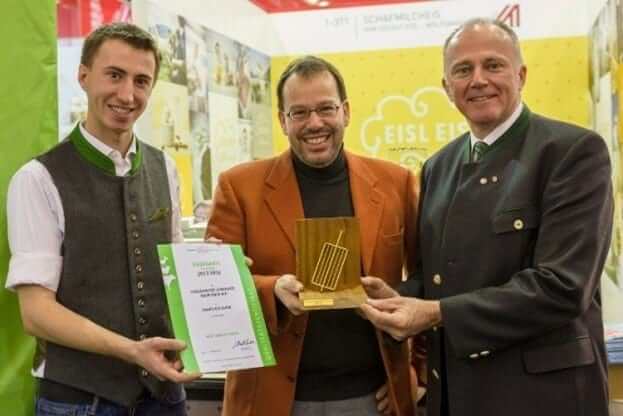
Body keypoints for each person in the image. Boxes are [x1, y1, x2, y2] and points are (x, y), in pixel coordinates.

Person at [361, 18, 613, 416]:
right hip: (457, 393)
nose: (478, 80)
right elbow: (440, 275)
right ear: (447, 87)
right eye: (463, 70)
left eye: (493, 65)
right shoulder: (438, 166)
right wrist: (400, 296)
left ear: (521, 75)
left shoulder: (572, 152)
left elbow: (563, 286)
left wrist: (435, 313)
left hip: (542, 397)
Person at [206, 55, 420, 416]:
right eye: (299, 113)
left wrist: (418, 372)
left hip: (374, 397)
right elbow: (215, 290)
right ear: (282, 120)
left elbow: (425, 280)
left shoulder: (395, 183)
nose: (314, 123)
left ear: (345, 112)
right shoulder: (239, 187)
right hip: (271, 398)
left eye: (325, 109)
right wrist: (272, 289)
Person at [5, 22, 199, 416]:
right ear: (83, 76)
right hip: (80, 402)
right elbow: (36, 314)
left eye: (141, 81)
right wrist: (132, 351)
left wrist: (217, 272)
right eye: (114, 75)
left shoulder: (165, 168)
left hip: (164, 396)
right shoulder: (38, 178)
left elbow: (172, 274)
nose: (127, 95)